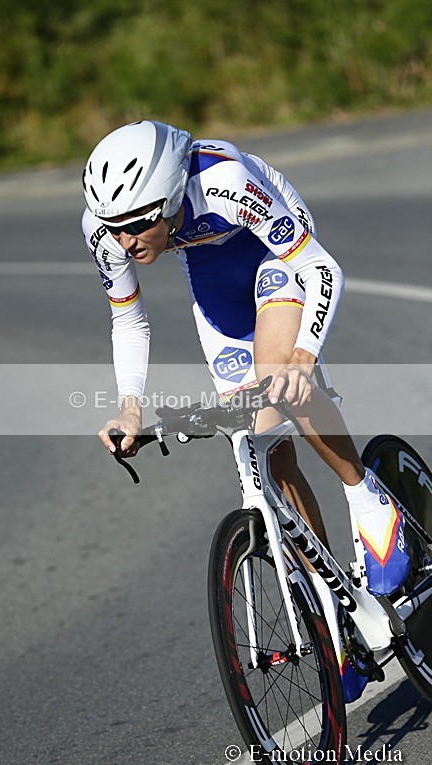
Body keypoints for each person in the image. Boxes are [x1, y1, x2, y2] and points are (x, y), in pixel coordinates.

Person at [81, 120, 410, 700]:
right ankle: (335, 613)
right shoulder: (108, 228)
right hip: (214, 281)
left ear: (174, 195)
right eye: (114, 228)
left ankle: (368, 498)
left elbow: (321, 269)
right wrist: (130, 412)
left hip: (277, 255)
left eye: (137, 226)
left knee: (278, 377)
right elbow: (128, 318)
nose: (125, 242)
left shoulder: (226, 182)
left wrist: (304, 356)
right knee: (267, 452)